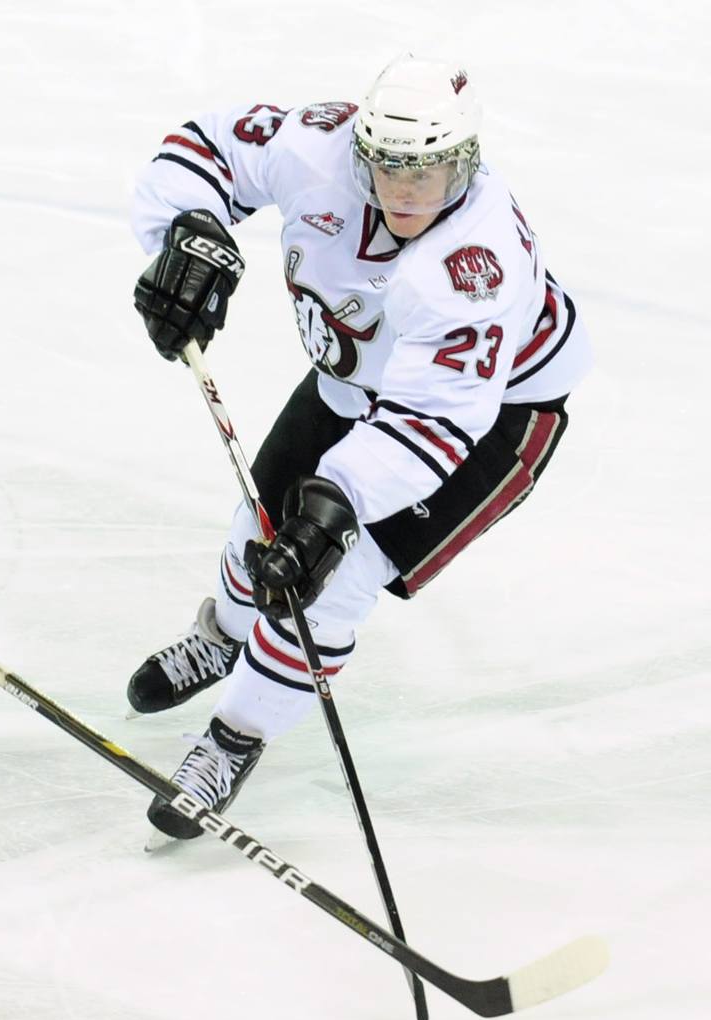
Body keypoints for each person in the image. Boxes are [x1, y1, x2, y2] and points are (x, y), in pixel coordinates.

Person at [123, 55, 590, 841]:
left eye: (427, 172)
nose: (405, 192)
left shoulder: (476, 267)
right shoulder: (320, 147)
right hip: (357, 378)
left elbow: (433, 421)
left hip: (488, 418)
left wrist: (337, 503)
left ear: (465, 162)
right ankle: (225, 636)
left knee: (330, 572)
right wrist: (188, 233)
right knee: (263, 527)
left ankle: (237, 734)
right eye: (389, 168)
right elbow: (206, 150)